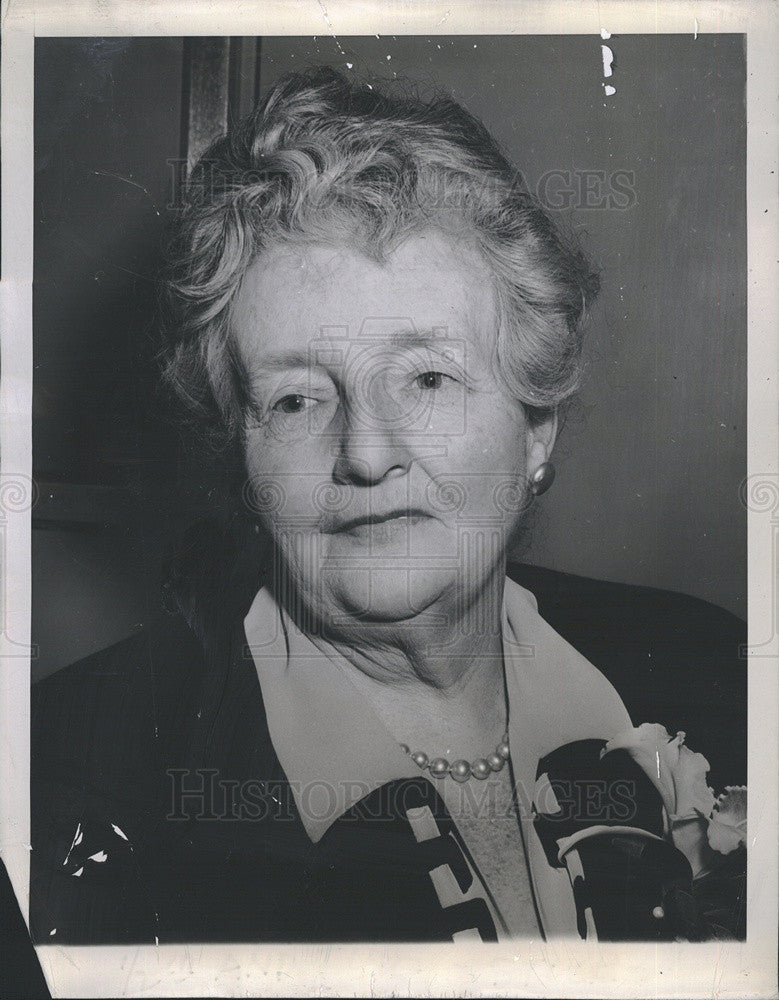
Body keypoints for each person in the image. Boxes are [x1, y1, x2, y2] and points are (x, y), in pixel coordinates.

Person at [30, 68, 746, 944]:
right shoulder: (73, 779)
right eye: (296, 399)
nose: (366, 453)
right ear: (242, 457)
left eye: (427, 379)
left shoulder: (710, 674)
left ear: (535, 431)